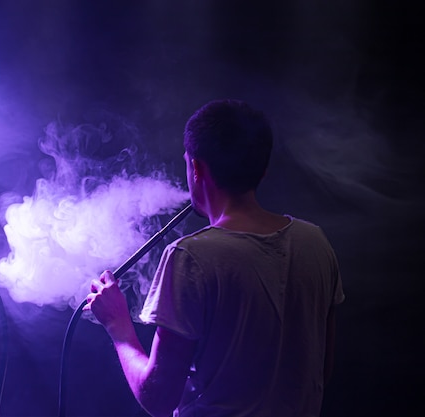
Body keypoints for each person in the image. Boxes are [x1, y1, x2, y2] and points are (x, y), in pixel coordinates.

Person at [83, 99, 345, 417]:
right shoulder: (315, 242)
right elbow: (322, 370)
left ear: (196, 168)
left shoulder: (190, 257)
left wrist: (118, 326)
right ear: (263, 170)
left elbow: (158, 398)